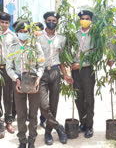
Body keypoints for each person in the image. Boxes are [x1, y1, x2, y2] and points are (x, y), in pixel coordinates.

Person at [6, 20, 45, 148]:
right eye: (20, 32)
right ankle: (22, 139)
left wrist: (38, 78)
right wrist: (16, 79)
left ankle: (32, 140)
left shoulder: (35, 46)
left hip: (33, 82)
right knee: (21, 113)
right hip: (18, 82)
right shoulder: (12, 47)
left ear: (29, 32)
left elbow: (41, 64)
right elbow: (9, 67)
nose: (23, 34)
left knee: (33, 113)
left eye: (26, 32)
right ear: (16, 33)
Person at [38, 11, 72, 145]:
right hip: (41, 73)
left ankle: (48, 133)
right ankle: (59, 128)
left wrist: (65, 74)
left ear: (57, 22)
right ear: (45, 21)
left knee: (53, 104)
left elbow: (62, 59)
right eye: (49, 19)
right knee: (43, 105)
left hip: (55, 72)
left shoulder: (62, 38)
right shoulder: (37, 37)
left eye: (54, 20)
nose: (51, 22)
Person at [71, 9, 96, 138]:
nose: (84, 21)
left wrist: (80, 64)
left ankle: (89, 126)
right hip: (75, 71)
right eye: (82, 18)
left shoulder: (95, 35)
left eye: (87, 18)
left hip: (87, 70)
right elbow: (69, 51)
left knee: (89, 98)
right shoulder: (74, 34)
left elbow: (95, 55)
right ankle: (83, 122)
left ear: (91, 21)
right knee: (78, 97)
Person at [0, 12, 17, 133]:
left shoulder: (13, 36)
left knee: (8, 95)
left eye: (6, 23)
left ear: (9, 23)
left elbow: (16, 53)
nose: (4, 25)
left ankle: (9, 120)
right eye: (2, 22)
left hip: (8, 68)